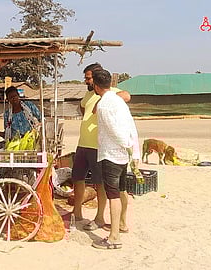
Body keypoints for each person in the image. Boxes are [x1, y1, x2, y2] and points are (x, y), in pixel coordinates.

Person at [71, 63, 131, 234]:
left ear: (97, 78)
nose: (86, 81)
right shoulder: (89, 93)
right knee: (77, 178)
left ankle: (99, 217)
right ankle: (77, 212)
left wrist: (107, 98)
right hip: (83, 143)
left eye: (88, 78)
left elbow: (126, 95)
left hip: (99, 146)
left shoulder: (110, 92)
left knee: (100, 183)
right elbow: (83, 108)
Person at [91, 69, 140, 250]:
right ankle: (121, 224)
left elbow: (115, 131)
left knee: (113, 195)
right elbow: (130, 125)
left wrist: (126, 145)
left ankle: (114, 237)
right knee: (121, 191)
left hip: (111, 155)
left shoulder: (104, 104)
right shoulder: (118, 101)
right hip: (122, 155)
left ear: (96, 86)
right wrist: (133, 150)